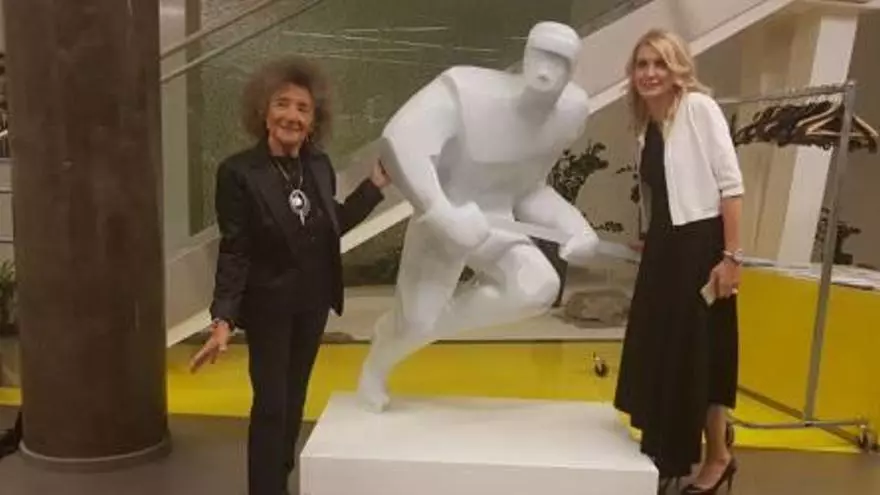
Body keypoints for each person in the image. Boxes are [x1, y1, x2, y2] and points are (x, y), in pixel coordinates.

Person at [356, 21, 600, 412]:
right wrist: (440, 211)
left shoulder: (569, 115)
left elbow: (530, 190)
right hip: (446, 220)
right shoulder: (467, 91)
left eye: (560, 61)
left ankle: (415, 328)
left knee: (536, 286)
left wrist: (573, 226)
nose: (546, 70)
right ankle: (382, 360)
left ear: (572, 70)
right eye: (541, 55)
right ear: (526, 54)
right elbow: (401, 140)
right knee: (416, 320)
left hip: (498, 224)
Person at [189, 56, 390, 495]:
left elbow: (331, 224)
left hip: (312, 303)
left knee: (294, 399)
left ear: (314, 121)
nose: (292, 116)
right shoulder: (238, 173)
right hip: (269, 308)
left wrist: (373, 187)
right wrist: (223, 318)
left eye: (303, 108)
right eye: (282, 104)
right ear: (263, 111)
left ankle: (278, 481)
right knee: (271, 404)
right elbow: (235, 249)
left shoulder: (317, 166)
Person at [612, 29, 744, 494]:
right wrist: (652, 238)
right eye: (642, 64)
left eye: (660, 63)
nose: (650, 73)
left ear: (677, 70)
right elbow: (664, 194)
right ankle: (665, 453)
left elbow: (731, 187)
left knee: (699, 355)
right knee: (663, 352)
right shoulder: (646, 124)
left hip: (700, 247)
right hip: (665, 250)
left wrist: (731, 257)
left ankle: (715, 457)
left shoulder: (699, 109)